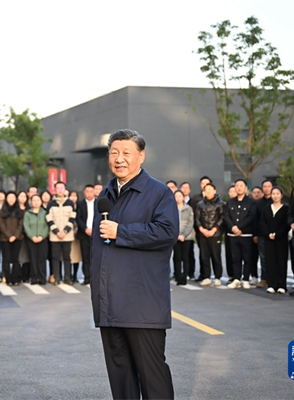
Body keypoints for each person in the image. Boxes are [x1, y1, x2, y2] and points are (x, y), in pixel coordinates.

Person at [92, 129, 176, 399]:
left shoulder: (159, 193)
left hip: (142, 304)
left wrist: (121, 232)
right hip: (109, 303)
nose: (119, 159)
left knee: (152, 376)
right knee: (121, 379)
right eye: (114, 153)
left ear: (141, 156)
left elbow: (167, 232)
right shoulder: (105, 195)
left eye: (126, 153)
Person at [224, 179, 257, 290]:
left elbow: (251, 216)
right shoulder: (230, 202)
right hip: (233, 235)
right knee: (235, 258)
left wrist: (240, 227)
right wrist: (233, 227)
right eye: (237, 185)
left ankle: (246, 279)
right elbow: (226, 216)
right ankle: (236, 279)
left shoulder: (251, 202)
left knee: (247, 258)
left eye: (241, 186)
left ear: (246, 188)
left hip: (246, 234)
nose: (239, 188)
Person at [46, 181, 76, 285]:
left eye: (62, 188)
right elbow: (49, 218)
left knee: (67, 257)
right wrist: (57, 231)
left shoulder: (70, 203)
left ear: (65, 189)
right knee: (55, 257)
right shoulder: (51, 203)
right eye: (58, 188)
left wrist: (65, 231)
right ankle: (57, 278)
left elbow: (72, 218)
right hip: (55, 236)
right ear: (54, 190)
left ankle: (68, 278)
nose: (60, 190)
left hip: (67, 235)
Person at [260, 186, 289, 294]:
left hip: (281, 239)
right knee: (270, 261)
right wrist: (268, 233)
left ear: (281, 195)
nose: (275, 196)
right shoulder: (266, 208)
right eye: (273, 194)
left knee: (281, 261)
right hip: (269, 239)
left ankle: (282, 285)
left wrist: (277, 234)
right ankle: (272, 284)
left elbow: (287, 224)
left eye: (277, 194)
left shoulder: (286, 209)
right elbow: (262, 223)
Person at [195, 183, 224, 286]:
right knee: (204, 256)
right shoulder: (200, 204)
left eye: (210, 189)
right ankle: (206, 277)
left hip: (215, 234)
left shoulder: (220, 203)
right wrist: (201, 229)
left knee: (216, 256)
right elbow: (197, 218)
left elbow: (222, 218)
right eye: (206, 190)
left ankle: (217, 277)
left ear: (214, 191)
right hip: (203, 234)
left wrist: (214, 229)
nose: (208, 191)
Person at [0, 191, 24, 285]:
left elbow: (20, 225)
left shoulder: (19, 211)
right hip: (5, 238)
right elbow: (1, 224)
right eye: (9, 197)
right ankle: (8, 278)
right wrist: (9, 236)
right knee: (6, 258)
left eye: (13, 197)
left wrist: (15, 236)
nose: (11, 199)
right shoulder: (2, 211)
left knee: (15, 258)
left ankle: (15, 278)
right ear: (6, 199)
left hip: (18, 238)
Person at [24, 194, 49, 285]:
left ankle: (42, 278)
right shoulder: (27, 214)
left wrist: (42, 236)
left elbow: (47, 226)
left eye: (38, 200)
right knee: (33, 259)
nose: (36, 202)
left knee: (42, 259)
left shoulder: (45, 213)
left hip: (43, 239)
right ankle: (34, 278)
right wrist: (32, 236)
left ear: (41, 201)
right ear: (30, 202)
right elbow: (26, 226)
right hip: (31, 240)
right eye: (34, 200)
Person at [253, 180, 273, 288]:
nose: (267, 188)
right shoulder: (258, 203)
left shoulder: (276, 201)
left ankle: (274, 278)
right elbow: (256, 220)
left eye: (269, 186)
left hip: (275, 234)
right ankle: (264, 278)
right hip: (261, 234)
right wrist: (255, 234)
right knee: (263, 257)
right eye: (264, 186)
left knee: (274, 257)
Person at [173, 190, 194, 286]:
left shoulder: (188, 209)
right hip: (175, 237)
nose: (178, 198)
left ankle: (184, 277)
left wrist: (183, 235)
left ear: (183, 197)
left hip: (187, 237)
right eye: (176, 196)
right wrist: (177, 235)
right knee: (177, 257)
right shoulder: (171, 209)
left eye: (179, 196)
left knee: (185, 257)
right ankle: (178, 277)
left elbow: (190, 223)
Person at [76, 184, 94, 285]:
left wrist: (94, 230)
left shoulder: (98, 203)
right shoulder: (80, 204)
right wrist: (85, 229)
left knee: (95, 257)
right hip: (84, 234)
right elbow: (78, 218)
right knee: (85, 257)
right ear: (84, 192)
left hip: (96, 234)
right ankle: (87, 278)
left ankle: (94, 279)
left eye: (91, 191)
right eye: (87, 191)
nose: (89, 194)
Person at [17, 190, 31, 283]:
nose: (22, 198)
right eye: (20, 196)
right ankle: (18, 275)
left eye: (24, 197)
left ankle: (26, 276)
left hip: (27, 236)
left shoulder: (29, 210)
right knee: (17, 257)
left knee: (26, 257)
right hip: (17, 236)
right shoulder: (14, 209)